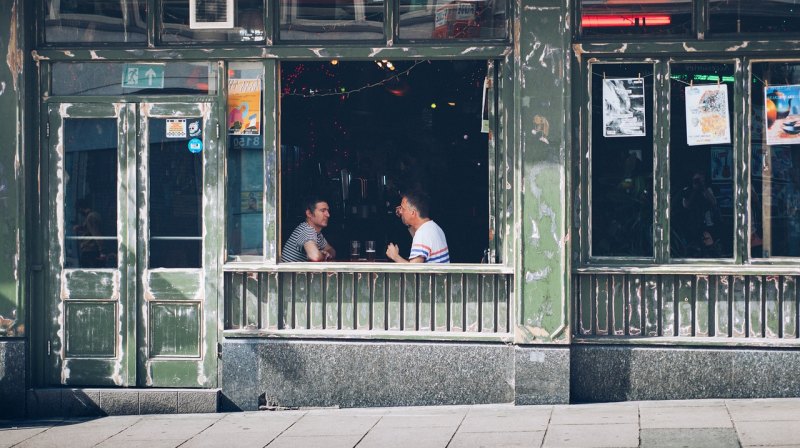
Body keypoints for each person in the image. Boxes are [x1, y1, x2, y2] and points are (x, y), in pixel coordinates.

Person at [386, 190, 449, 263]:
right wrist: (406, 220)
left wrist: (395, 256)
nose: (400, 211)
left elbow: (413, 271)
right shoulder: (433, 227)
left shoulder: (422, 234)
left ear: (412, 212)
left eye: (403, 208)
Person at [281, 197, 337, 262]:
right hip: (288, 272)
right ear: (309, 213)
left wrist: (328, 253)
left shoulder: (317, 233)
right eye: (323, 210)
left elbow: (331, 250)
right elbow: (315, 256)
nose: (328, 215)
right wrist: (324, 255)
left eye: (327, 211)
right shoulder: (306, 230)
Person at [74, 198, 106, 267]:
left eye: (79, 210)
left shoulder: (91, 217)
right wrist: (82, 228)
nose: (79, 213)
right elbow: (91, 230)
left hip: (90, 251)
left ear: (81, 208)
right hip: (91, 250)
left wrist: (102, 252)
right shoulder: (94, 215)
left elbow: (96, 234)